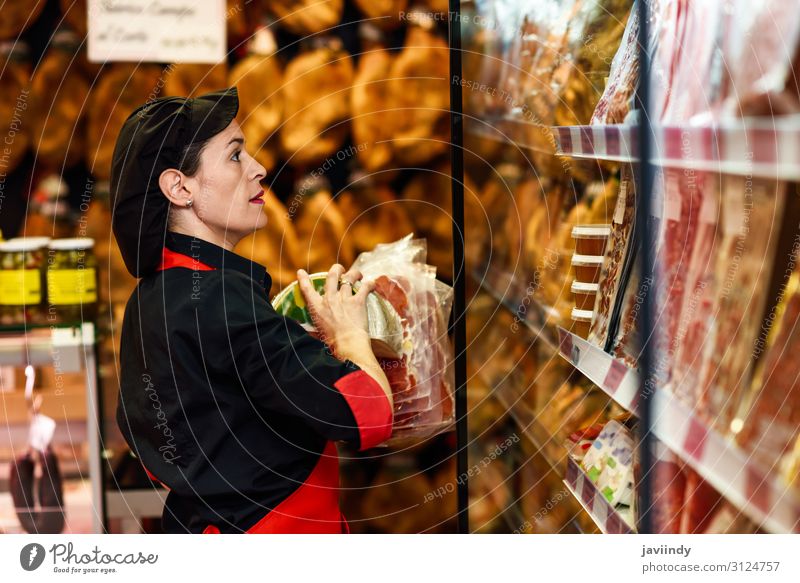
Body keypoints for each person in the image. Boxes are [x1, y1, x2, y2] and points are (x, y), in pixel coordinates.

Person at [110, 87, 393, 534]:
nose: (260, 169)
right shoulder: (223, 299)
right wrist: (350, 333)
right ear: (179, 188)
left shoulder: (150, 298)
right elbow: (368, 413)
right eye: (236, 156)